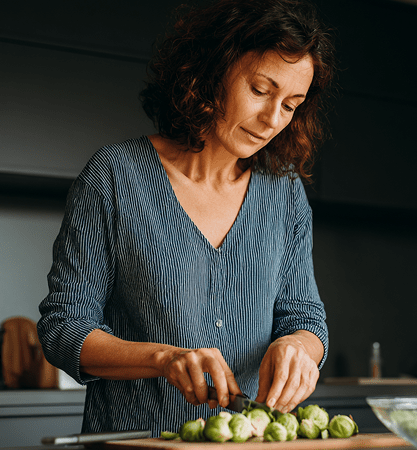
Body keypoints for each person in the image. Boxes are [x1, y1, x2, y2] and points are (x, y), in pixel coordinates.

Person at [37, 0, 335, 435]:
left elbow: (305, 318)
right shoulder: (114, 177)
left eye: (290, 104)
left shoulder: (285, 194)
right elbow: (64, 328)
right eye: (259, 90)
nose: (273, 119)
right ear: (211, 73)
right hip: (135, 442)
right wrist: (164, 359)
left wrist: (298, 346)